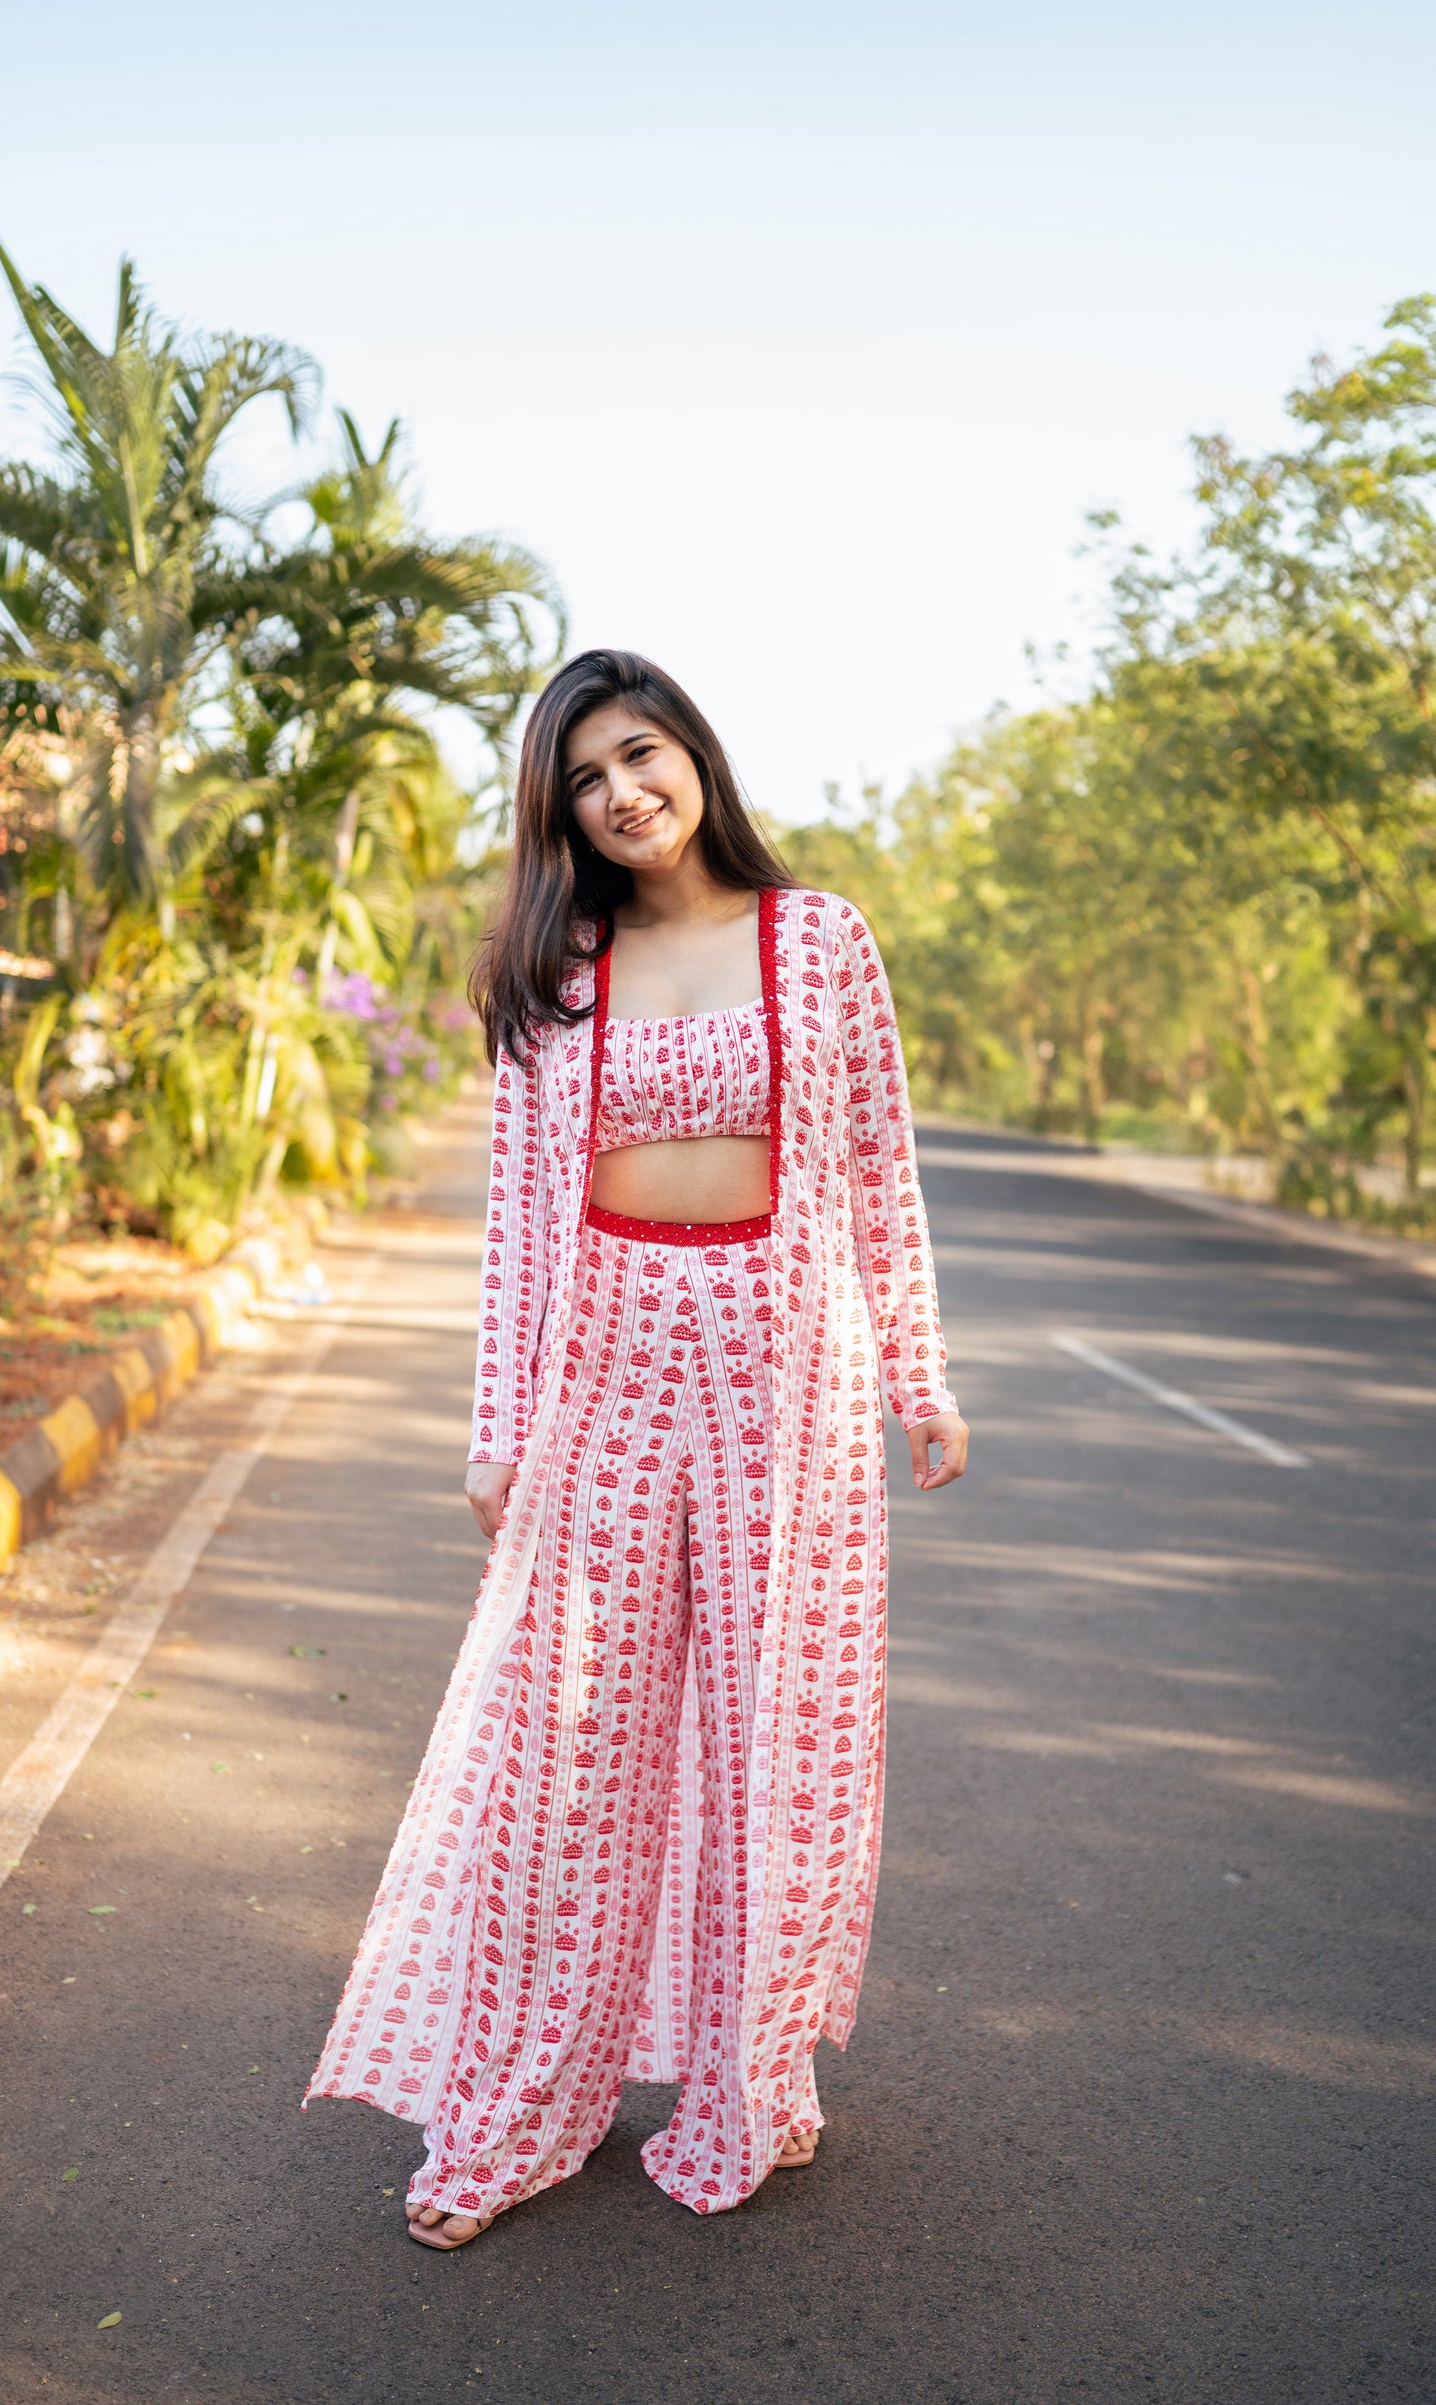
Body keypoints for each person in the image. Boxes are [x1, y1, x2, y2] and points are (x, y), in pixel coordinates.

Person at [306, 650, 968, 2248]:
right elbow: (521, 1232)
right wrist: (496, 1433)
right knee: (569, 1747)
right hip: (608, 1360)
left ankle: (748, 2083)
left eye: (641, 752)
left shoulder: (816, 939)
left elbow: (879, 1167)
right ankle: (527, 2101)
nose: (624, 793)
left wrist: (920, 1374)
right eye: (587, 779)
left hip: (786, 1368)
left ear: (695, 753)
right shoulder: (565, 969)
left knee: (771, 1732)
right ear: (565, 816)